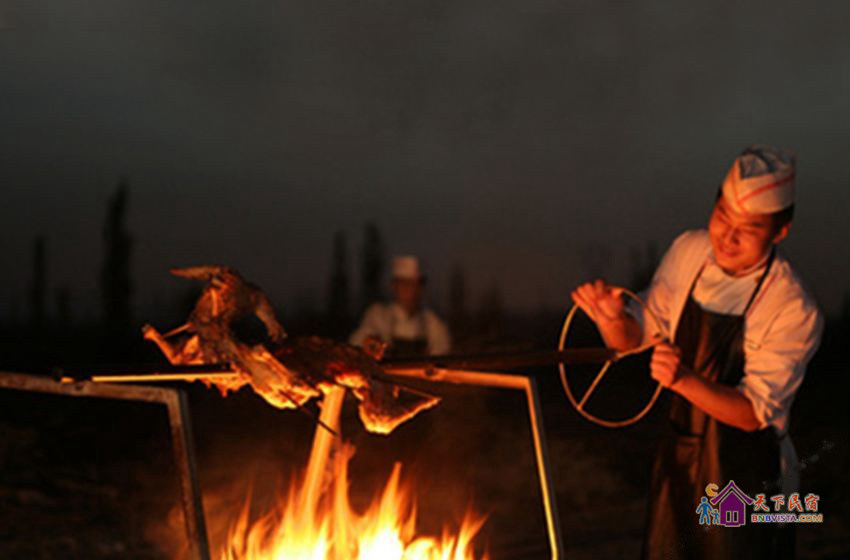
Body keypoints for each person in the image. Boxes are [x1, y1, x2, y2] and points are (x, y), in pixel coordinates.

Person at [571, 145, 823, 559]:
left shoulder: (792, 305)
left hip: (749, 476)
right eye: (722, 215)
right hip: (681, 461)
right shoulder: (690, 252)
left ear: (780, 232)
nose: (727, 236)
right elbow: (635, 337)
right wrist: (611, 319)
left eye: (749, 228)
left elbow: (753, 413)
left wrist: (683, 379)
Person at [350, 255, 451, 357]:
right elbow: (356, 344)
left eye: (417, 284)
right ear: (394, 286)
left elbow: (442, 355)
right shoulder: (378, 316)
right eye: (406, 284)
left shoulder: (433, 324)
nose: (412, 290)